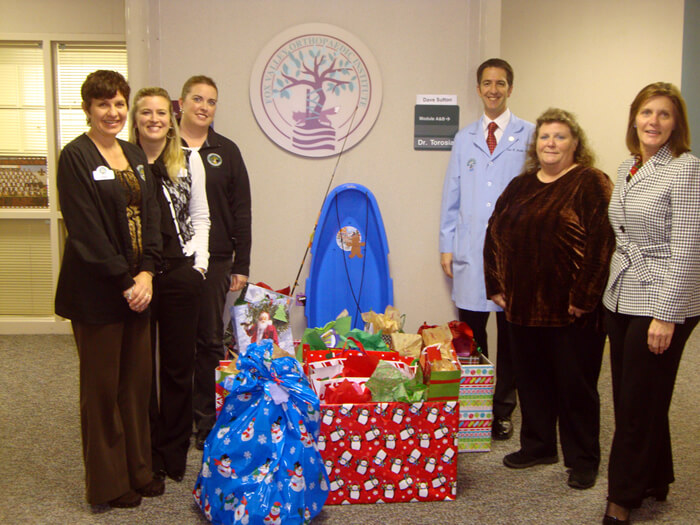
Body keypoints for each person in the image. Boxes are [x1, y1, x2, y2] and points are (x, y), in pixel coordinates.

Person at [483, 108, 615, 490]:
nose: (551, 143)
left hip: (572, 311)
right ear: (535, 144)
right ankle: (539, 446)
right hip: (522, 307)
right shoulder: (521, 185)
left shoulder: (590, 182)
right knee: (532, 382)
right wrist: (496, 285)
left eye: (560, 137)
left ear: (576, 144)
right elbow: (494, 234)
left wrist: (585, 297)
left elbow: (602, 243)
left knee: (576, 387)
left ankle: (583, 458)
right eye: (544, 137)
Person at [54, 70, 164, 508]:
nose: (113, 112)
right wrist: (125, 279)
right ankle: (108, 483)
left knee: (135, 387)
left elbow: (152, 215)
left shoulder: (135, 153)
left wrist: (148, 273)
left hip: (139, 290)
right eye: (103, 105)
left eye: (119, 104)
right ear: (88, 109)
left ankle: (139, 470)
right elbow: (85, 231)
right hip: (98, 294)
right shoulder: (75, 157)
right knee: (102, 391)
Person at [601, 83, 700, 525]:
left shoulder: (686, 169)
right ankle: (654, 477)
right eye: (646, 112)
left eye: (664, 114)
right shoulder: (628, 166)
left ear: (676, 123)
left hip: (664, 297)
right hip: (622, 295)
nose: (653, 122)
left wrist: (665, 314)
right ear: (634, 118)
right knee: (633, 396)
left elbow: (687, 247)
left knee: (638, 403)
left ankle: (621, 500)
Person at [439, 58, 534, 440]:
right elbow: (452, 195)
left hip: (513, 256)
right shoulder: (465, 139)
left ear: (510, 88)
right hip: (470, 251)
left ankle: (502, 410)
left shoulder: (530, 135)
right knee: (472, 334)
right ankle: (474, 404)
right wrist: (447, 245)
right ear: (478, 89)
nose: (493, 89)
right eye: (487, 83)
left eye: (501, 83)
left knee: (511, 337)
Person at [129, 87, 210, 482]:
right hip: (138, 277)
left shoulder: (188, 160)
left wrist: (200, 268)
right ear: (136, 117)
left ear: (172, 117)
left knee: (178, 369)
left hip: (180, 274)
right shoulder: (123, 161)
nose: (154, 119)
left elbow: (202, 217)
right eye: (146, 112)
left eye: (162, 112)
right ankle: (145, 453)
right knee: (141, 370)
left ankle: (172, 453)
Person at [177, 75, 252, 450]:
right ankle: (172, 419)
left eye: (211, 101)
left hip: (218, 259)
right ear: (181, 103)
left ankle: (204, 421)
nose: (204, 106)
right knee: (174, 340)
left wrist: (243, 264)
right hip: (173, 260)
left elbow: (242, 211)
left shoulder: (227, 150)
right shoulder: (164, 148)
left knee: (208, 340)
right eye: (197, 99)